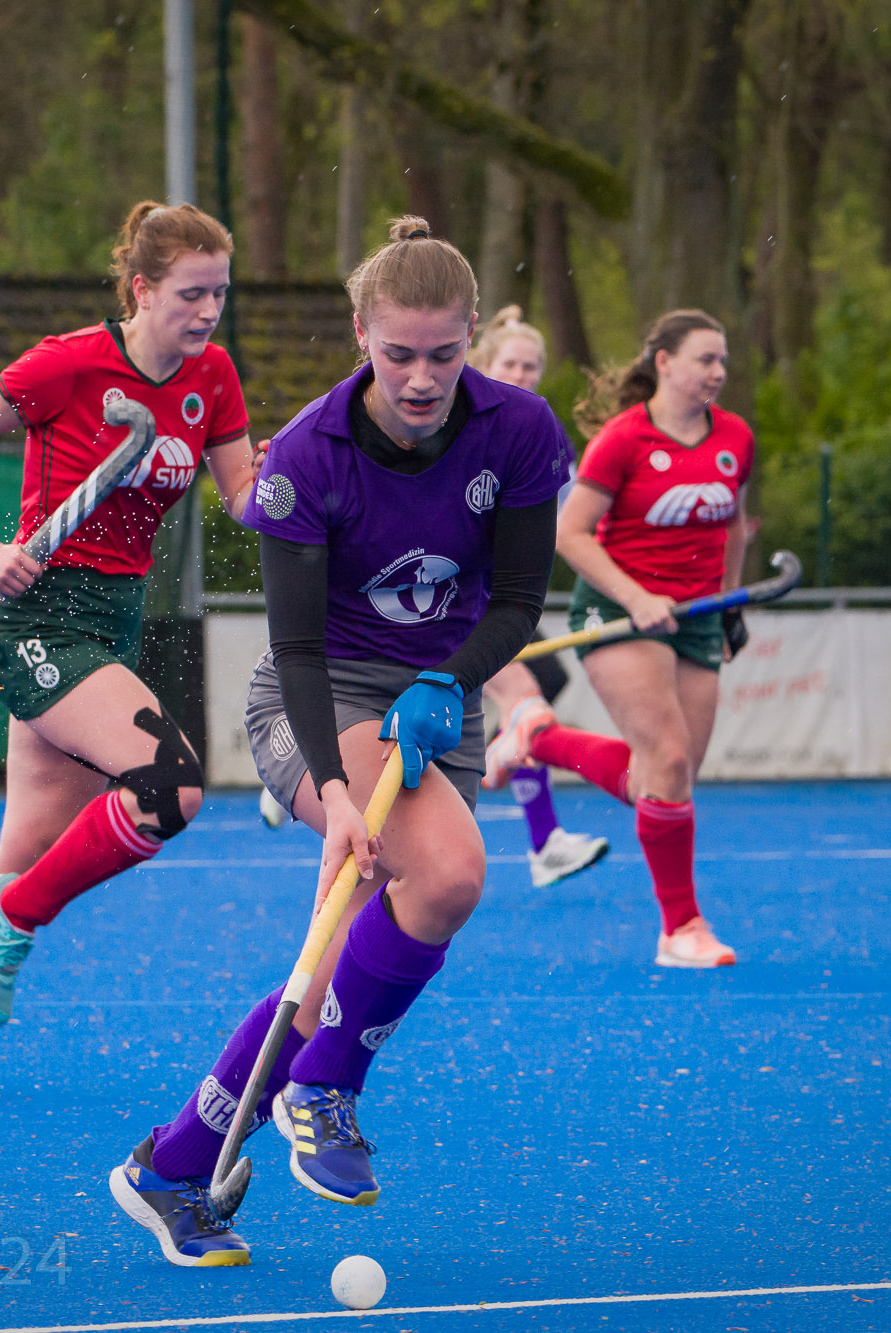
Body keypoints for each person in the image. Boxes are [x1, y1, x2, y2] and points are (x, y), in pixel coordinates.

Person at [110, 217, 573, 1266]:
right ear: (361, 332)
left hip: (434, 701)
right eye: (398, 353)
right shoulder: (306, 459)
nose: (421, 378)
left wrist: (447, 680)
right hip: (317, 698)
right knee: (447, 874)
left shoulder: (518, 430)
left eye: (443, 354)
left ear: (471, 335)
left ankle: (170, 1166)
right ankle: (323, 1085)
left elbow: (515, 603)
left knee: (328, 971)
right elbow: (298, 651)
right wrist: (331, 792)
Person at [0, 202, 262, 1094]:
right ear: (142, 289)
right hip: (39, 619)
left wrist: (308, 472)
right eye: (191, 294)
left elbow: (244, 496)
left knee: (26, 845)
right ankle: (17, 916)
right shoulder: (70, 361)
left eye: (220, 293)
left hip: (111, 624)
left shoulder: (214, 376)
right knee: (171, 786)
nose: (208, 311)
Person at [483, 309, 752, 969]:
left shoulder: (735, 437)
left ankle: (536, 739)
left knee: (668, 777)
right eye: (705, 359)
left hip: (697, 616)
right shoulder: (623, 439)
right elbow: (570, 534)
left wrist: (730, 603)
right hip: (617, 613)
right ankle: (680, 928)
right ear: (664, 362)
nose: (717, 371)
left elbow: (734, 525)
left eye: (722, 360)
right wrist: (636, 597)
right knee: (666, 759)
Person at [465, 305, 608, 888]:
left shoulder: (542, 431)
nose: (522, 375)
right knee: (524, 698)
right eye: (511, 364)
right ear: (484, 364)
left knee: (538, 686)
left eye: (531, 366)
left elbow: (578, 517)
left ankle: (541, 834)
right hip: (451, 596)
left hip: (501, 599)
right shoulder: (456, 418)